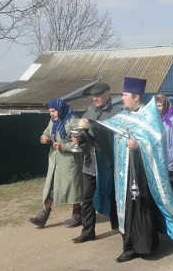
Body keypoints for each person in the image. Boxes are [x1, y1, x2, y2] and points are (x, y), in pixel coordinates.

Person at [82, 77, 173, 263]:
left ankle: (146, 245)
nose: (122, 98)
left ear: (136, 96)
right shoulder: (124, 117)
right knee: (127, 209)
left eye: (125, 95)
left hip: (143, 174)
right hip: (124, 174)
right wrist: (91, 128)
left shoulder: (150, 117)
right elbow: (107, 138)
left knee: (142, 208)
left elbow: (158, 143)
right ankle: (129, 246)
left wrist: (140, 144)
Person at [71, 83, 121, 244]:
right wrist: (79, 139)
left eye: (98, 95)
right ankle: (88, 231)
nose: (95, 98)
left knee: (114, 197)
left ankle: (121, 227)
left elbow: (117, 139)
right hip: (90, 164)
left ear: (108, 94)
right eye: (93, 96)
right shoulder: (89, 112)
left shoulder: (117, 113)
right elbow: (85, 141)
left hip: (108, 165)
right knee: (86, 199)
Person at [28, 99, 83, 228]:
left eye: (53, 111)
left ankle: (77, 215)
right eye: (50, 111)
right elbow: (46, 133)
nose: (51, 114)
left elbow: (78, 143)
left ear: (61, 109)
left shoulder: (73, 121)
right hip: (55, 161)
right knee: (51, 187)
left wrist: (63, 146)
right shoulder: (53, 122)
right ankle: (42, 216)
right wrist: (44, 138)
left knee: (72, 188)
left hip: (69, 161)